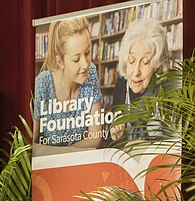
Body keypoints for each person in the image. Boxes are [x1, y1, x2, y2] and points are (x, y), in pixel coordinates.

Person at [33, 16, 103, 148]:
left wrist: (61, 154)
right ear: (60, 62)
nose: (85, 64)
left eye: (87, 52)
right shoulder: (42, 84)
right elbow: (31, 146)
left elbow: (96, 137)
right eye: (76, 59)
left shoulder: (91, 71)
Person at [109, 17, 172, 143]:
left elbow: (175, 144)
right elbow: (111, 143)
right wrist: (115, 133)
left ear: (157, 64)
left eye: (145, 62)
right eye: (131, 61)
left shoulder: (168, 87)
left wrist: (144, 147)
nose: (136, 72)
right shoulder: (122, 84)